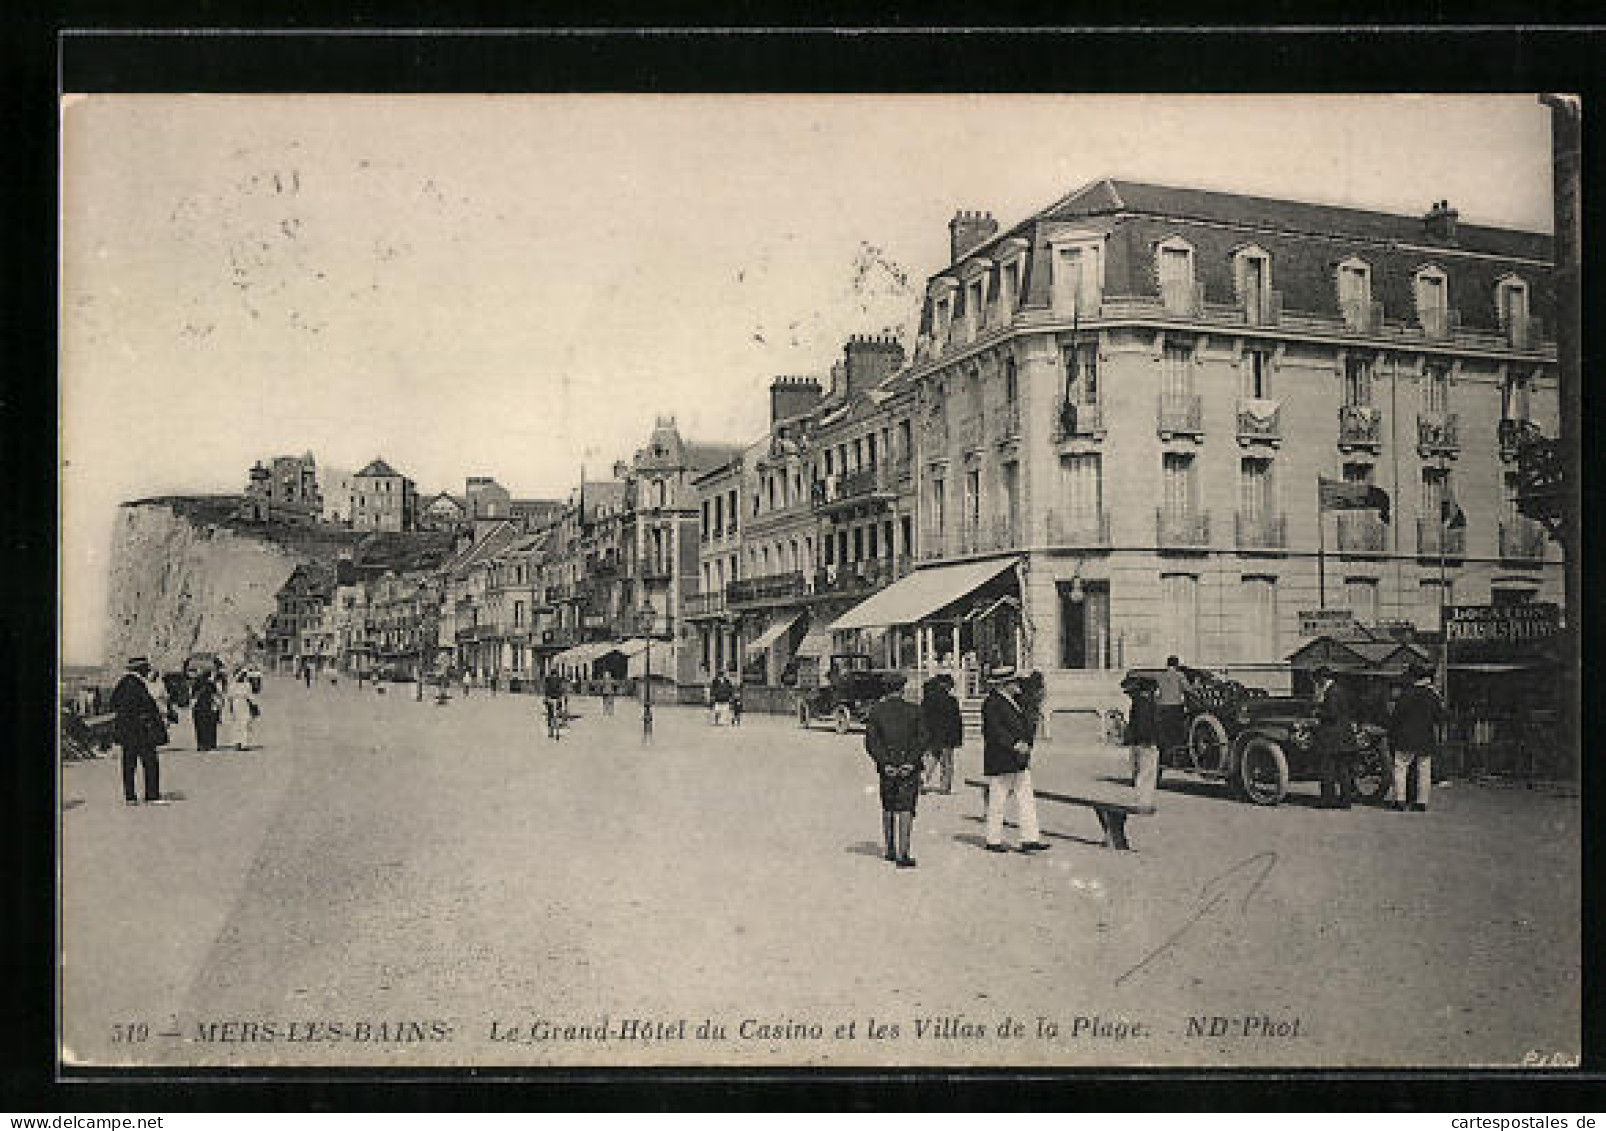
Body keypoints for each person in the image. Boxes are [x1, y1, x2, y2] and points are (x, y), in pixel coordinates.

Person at [982, 666, 1048, 854]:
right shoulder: (991, 703)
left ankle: (1030, 838)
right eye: (1013, 682)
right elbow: (994, 731)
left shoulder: (1015, 701)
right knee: (998, 800)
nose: (1017, 684)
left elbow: (1025, 724)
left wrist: (1026, 744)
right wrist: (1014, 744)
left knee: (1026, 798)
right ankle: (993, 840)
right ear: (1003, 685)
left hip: (1018, 759)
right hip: (1001, 758)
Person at [864, 673, 924, 868]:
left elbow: (872, 742)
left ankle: (890, 849)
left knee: (888, 806)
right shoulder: (914, 710)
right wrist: (910, 762)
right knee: (906, 807)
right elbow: (922, 739)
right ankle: (903, 853)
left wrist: (885, 763)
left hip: (887, 769)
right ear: (902, 689)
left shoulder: (876, 711)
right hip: (909, 768)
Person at [110, 657, 169, 806]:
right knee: (150, 762)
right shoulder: (136, 684)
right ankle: (152, 795)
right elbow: (146, 705)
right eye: (146, 668)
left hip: (126, 730)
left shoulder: (123, 683)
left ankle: (130, 796)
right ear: (141, 669)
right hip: (140, 730)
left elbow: (114, 703)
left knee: (128, 764)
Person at [1388, 663, 1443, 812]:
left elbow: (1396, 716)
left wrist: (1392, 731)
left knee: (1400, 767)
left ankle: (1400, 800)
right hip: (1425, 736)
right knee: (1424, 769)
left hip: (1405, 737)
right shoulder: (1432, 695)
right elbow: (1440, 717)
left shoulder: (1406, 694)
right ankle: (1421, 802)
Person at [1312, 665, 1359, 809]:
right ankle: (1346, 801)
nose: (1317, 683)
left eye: (1317, 680)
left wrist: (1317, 713)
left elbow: (1332, 714)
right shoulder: (1341, 690)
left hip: (1331, 737)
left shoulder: (1331, 692)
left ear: (1323, 678)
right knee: (1343, 770)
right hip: (1345, 736)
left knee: (1327, 770)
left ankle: (1327, 800)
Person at [1121, 673, 1162, 809]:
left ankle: (1143, 801)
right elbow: (1146, 725)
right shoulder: (1146, 704)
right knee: (1147, 774)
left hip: (1138, 743)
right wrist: (1151, 741)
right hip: (1146, 743)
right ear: (1149, 690)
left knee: (1141, 773)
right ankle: (1144, 802)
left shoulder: (1138, 703)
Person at [920, 673, 962, 795]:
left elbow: (923, 718)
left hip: (931, 735)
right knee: (947, 763)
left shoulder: (927, 700)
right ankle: (945, 786)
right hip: (947, 737)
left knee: (930, 759)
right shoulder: (951, 701)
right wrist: (957, 739)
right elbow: (956, 722)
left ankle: (922, 780)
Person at [1153, 655, 1193, 763]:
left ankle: (1164, 758)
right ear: (1176, 665)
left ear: (1167, 664)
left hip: (1161, 707)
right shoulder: (1179, 675)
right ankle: (1175, 758)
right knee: (1176, 733)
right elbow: (1188, 689)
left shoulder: (1160, 676)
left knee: (1164, 734)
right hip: (1175, 707)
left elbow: (1156, 691)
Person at [226, 668, 259, 750]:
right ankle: (243, 743)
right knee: (243, 723)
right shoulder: (246, 685)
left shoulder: (232, 685)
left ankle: (238, 742)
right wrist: (254, 706)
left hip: (236, 704)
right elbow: (250, 697)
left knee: (238, 723)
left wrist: (231, 707)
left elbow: (229, 697)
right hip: (243, 704)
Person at [190, 670, 221, 751]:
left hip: (198, 707)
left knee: (199, 726)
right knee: (210, 726)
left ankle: (201, 744)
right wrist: (218, 706)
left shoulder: (195, 684)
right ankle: (210, 744)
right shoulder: (211, 684)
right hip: (208, 706)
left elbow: (192, 697)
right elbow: (215, 696)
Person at [542, 669, 566, 741]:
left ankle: (550, 731)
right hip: (557, 699)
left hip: (550, 699)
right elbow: (561, 690)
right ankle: (557, 731)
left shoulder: (548, 680)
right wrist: (561, 700)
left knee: (550, 715)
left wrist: (546, 699)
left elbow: (546, 690)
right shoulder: (559, 680)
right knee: (556, 715)